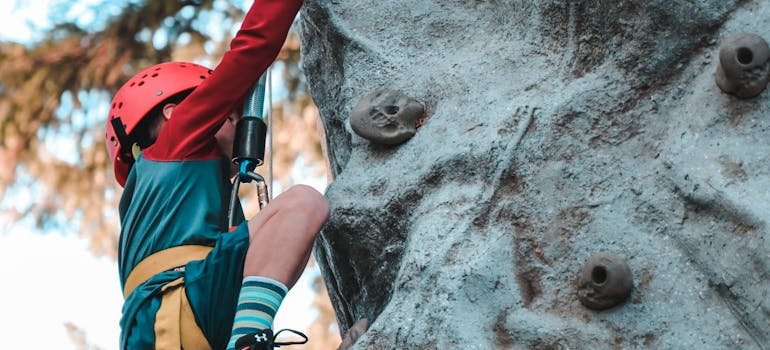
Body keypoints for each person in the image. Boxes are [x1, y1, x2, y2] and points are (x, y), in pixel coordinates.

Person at [104, 1, 328, 349]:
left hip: (164, 323)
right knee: (304, 203)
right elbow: (252, 48)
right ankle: (248, 339)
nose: (237, 123)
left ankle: (247, 337)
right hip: (175, 305)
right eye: (229, 115)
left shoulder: (171, 194)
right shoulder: (176, 139)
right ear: (173, 112)